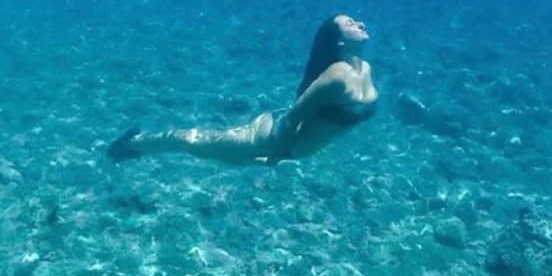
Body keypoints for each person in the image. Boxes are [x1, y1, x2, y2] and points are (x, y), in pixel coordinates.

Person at [108, 14, 377, 166]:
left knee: (211, 148)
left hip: (289, 145)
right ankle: (131, 145)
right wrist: (275, 155)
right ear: (339, 42)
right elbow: (293, 118)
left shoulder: (364, 68)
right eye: (350, 24)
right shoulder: (337, 76)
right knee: (193, 143)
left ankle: (135, 144)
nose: (360, 24)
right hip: (267, 140)